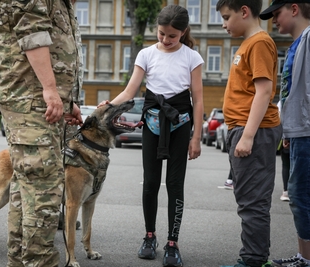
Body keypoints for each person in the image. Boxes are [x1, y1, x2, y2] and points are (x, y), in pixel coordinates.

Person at [99, 5, 204, 267]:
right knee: (150, 183)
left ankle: (172, 242)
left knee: (175, 184)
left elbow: (199, 100)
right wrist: (109, 105)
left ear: (183, 32)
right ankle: (149, 236)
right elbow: (130, 91)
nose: (166, 40)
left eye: (172, 36)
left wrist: (197, 137)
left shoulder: (192, 57)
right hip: (153, 125)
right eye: (161, 34)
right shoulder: (146, 54)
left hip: (180, 126)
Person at [0, 0, 83, 266]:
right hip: (31, 100)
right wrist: (51, 90)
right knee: (43, 189)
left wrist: (66, 100)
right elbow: (32, 35)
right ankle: (39, 262)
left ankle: (22, 261)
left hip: (38, 101)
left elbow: (54, 46)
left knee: (28, 186)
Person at [216, 1, 282, 267]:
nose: (223, 24)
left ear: (244, 11)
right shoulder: (248, 44)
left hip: (252, 130)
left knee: (252, 201)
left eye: (226, 17)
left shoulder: (259, 43)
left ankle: (253, 260)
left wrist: (247, 136)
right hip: (242, 128)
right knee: (249, 200)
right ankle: (256, 258)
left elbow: (264, 91)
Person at [260, 1, 310, 266]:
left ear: (294, 8)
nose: (274, 20)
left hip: (307, 130)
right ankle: (304, 256)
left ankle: (306, 259)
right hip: (298, 130)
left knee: (301, 196)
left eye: (276, 14)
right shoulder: (297, 43)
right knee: (300, 196)